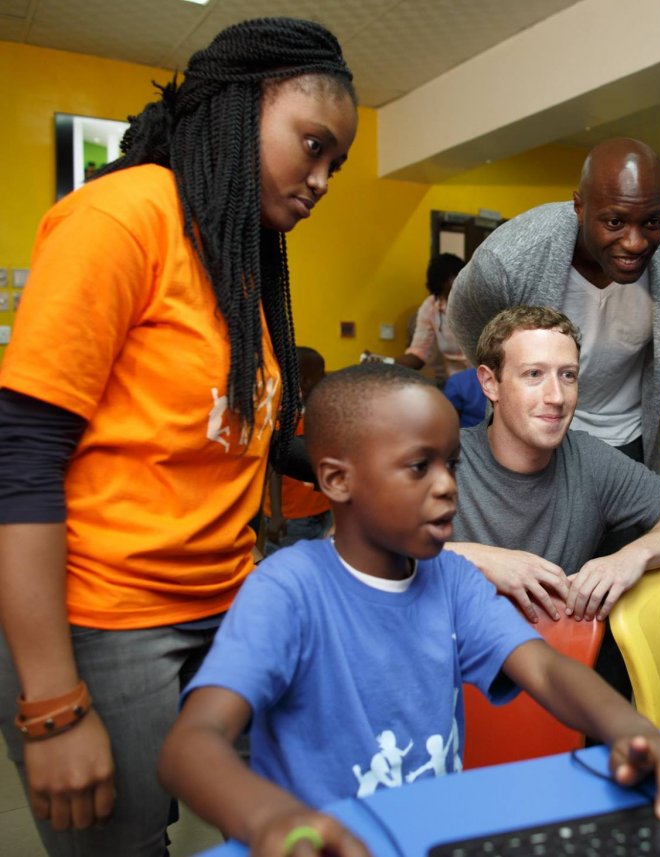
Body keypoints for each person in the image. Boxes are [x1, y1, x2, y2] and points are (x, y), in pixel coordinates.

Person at [0, 18, 357, 857]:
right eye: (312, 146)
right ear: (238, 109)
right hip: (104, 619)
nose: (321, 181)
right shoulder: (121, 218)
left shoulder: (238, 252)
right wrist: (53, 707)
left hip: (228, 605)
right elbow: (21, 459)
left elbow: (233, 430)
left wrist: (377, 469)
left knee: (300, 821)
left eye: (335, 165)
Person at [158, 364, 660, 855]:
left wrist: (630, 730)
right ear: (337, 480)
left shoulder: (452, 581)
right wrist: (270, 820)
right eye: (420, 467)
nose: (446, 488)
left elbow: (544, 669)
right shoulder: (288, 589)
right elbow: (191, 745)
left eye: (452, 465)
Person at [447, 306, 660, 626]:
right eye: (533, 374)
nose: (556, 397)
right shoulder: (444, 457)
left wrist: (632, 556)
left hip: (556, 650)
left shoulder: (589, 460)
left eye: (568, 375)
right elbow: (390, 553)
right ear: (490, 383)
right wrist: (478, 559)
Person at [446, 138, 660, 467]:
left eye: (651, 222)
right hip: (538, 436)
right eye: (614, 223)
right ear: (580, 208)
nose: (635, 243)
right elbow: (465, 319)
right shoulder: (509, 261)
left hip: (630, 440)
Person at [264, 347, 332, 555]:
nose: (325, 378)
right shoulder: (284, 417)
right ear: (305, 381)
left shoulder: (319, 410)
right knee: (287, 564)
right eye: (321, 374)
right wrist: (276, 515)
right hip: (291, 517)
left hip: (321, 511)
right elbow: (275, 469)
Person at [398, 252, 469, 376]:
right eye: (447, 281)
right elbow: (418, 353)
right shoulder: (431, 307)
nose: (453, 284)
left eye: (455, 277)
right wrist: (385, 363)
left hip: (485, 379)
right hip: (455, 382)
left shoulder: (478, 302)